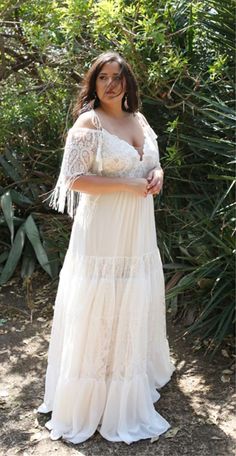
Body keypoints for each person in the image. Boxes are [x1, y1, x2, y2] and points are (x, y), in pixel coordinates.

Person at [37, 51, 176, 445]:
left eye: (118, 77)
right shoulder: (89, 122)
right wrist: (127, 185)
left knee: (133, 292)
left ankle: (130, 374)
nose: (111, 84)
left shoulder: (139, 119)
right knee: (100, 297)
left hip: (137, 230)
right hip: (102, 232)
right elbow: (73, 180)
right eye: (103, 78)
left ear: (128, 83)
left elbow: (150, 162)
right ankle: (93, 393)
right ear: (93, 84)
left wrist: (157, 175)